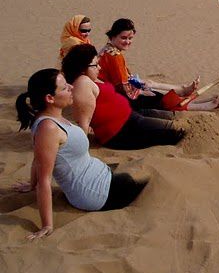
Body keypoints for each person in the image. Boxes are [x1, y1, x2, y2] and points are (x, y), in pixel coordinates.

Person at [14, 69, 147, 240]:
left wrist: (31, 184)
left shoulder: (54, 119)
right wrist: (47, 225)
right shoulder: (48, 128)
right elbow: (45, 179)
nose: (71, 87)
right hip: (94, 192)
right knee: (150, 187)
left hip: (99, 178)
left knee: (139, 179)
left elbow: (38, 158)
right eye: (64, 88)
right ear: (50, 98)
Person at [62, 44, 186, 149]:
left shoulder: (89, 79)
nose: (99, 68)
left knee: (172, 121)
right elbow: (84, 122)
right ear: (82, 68)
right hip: (121, 131)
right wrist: (81, 151)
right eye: (95, 65)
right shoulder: (82, 84)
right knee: (174, 133)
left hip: (131, 117)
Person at [97, 18, 219, 112]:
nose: (128, 42)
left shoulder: (108, 49)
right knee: (155, 96)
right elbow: (121, 87)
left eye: (130, 38)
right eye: (124, 38)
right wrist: (140, 92)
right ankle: (197, 105)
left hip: (113, 90)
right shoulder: (114, 56)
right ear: (113, 36)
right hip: (116, 96)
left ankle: (186, 94)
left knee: (149, 86)